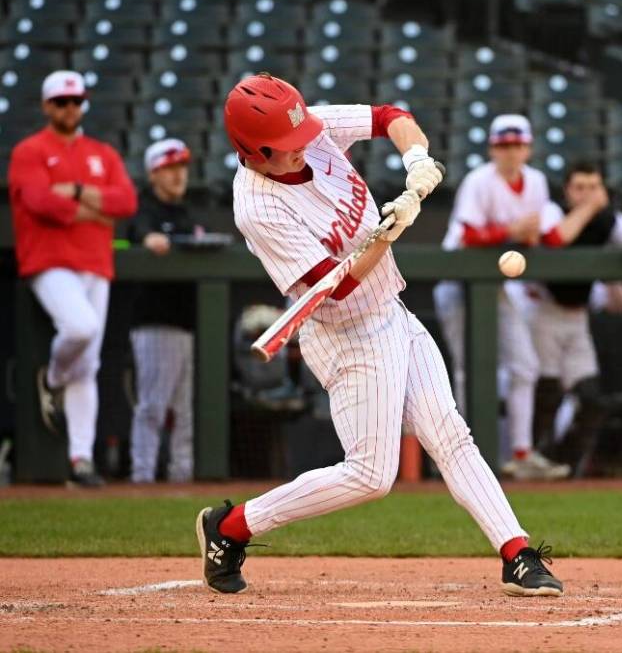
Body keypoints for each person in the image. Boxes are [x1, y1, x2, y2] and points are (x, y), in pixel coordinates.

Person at [196, 74, 563, 598]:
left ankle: (517, 553)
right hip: (346, 337)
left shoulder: (306, 128)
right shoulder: (257, 207)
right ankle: (230, 528)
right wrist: (389, 231)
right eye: (288, 149)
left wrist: (416, 162)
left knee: (450, 435)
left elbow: (389, 116)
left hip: (392, 312)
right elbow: (337, 286)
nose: (305, 149)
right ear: (254, 151)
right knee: (371, 474)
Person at [7, 70, 137, 487]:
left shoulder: (101, 152)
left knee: (90, 364)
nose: (70, 108)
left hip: (96, 261)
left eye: (76, 101)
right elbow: (39, 201)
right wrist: (95, 209)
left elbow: (127, 201)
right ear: (47, 106)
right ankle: (51, 378)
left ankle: (81, 460)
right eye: (62, 102)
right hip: (49, 260)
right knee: (80, 328)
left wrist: (76, 192)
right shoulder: (30, 150)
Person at [434, 114, 570, 481]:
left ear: (528, 147)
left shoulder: (537, 182)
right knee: (468, 369)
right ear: (493, 148)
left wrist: (524, 235)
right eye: (503, 145)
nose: (510, 152)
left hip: (496, 284)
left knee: (525, 365)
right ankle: (460, 458)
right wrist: (510, 230)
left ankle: (521, 453)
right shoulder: (480, 181)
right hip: (458, 282)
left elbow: (540, 236)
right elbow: (465, 237)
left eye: (517, 145)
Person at [525, 161, 622, 475]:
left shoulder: (608, 219)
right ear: (567, 191)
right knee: (548, 393)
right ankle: (533, 461)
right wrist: (587, 207)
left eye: (594, 187)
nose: (587, 194)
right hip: (543, 310)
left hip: (577, 317)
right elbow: (555, 238)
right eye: (579, 188)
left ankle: (565, 462)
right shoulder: (554, 210)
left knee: (593, 398)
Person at [126, 139, 198, 483]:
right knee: (153, 405)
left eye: (181, 167)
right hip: (154, 321)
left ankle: (181, 473)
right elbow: (141, 234)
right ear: (153, 173)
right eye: (169, 168)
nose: (177, 175)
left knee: (183, 409)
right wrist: (149, 240)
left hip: (185, 321)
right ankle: (142, 475)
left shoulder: (184, 212)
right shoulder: (144, 208)